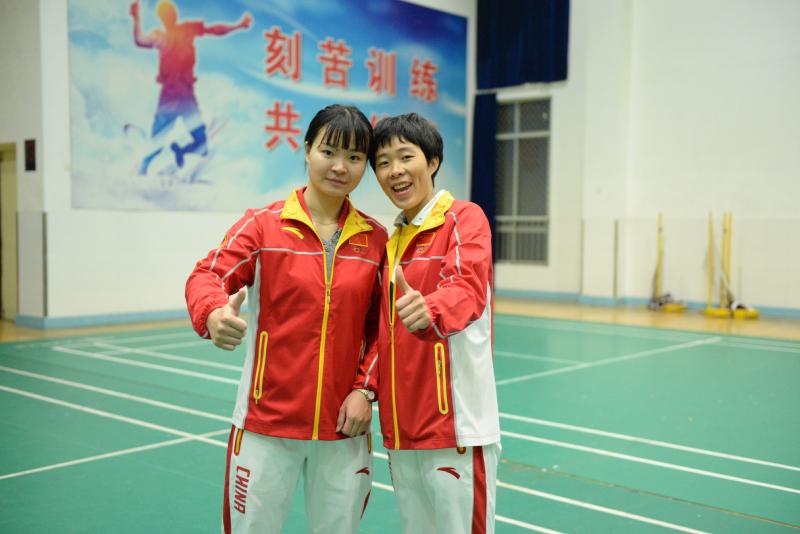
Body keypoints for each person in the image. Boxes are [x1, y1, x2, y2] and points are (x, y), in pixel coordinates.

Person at [186, 104, 386, 534]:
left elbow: (382, 329)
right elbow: (208, 275)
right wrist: (213, 311)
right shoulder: (263, 226)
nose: (340, 167)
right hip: (265, 425)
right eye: (328, 152)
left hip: (344, 429)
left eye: (354, 157)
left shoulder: (375, 240)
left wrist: (364, 390)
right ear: (307, 149)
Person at [369, 113, 501, 533]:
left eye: (405, 156)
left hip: (456, 430)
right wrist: (365, 388)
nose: (395, 170)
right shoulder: (392, 241)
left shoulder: (463, 218)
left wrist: (433, 310)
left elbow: (467, 287)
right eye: (383, 162)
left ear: (433, 161)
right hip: (402, 433)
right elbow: (380, 333)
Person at [129, 0, 252, 174]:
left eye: (172, 13)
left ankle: (180, 151)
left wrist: (237, 26)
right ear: (163, 18)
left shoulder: (187, 30)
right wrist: (136, 18)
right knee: (158, 143)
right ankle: (142, 170)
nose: (172, 16)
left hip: (185, 97)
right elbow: (140, 41)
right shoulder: (162, 36)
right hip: (171, 97)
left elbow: (214, 30)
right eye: (168, 14)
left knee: (202, 146)